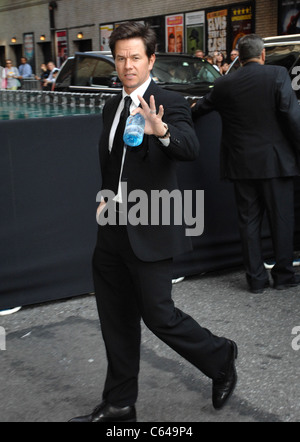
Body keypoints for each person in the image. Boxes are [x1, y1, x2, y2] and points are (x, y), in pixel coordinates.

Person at [69, 21, 238, 423]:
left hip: (152, 224)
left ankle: (221, 356)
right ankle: (119, 403)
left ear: (151, 60)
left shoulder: (170, 102)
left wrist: (161, 130)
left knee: (159, 315)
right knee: (115, 317)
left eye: (135, 58)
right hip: (112, 229)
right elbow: (113, 165)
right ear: (115, 60)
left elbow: (189, 147)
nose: (128, 65)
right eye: (121, 57)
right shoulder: (112, 106)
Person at [192, 34, 300, 294]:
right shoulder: (277, 75)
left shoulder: (223, 83)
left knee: (249, 222)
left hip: (241, 164)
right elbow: (291, 116)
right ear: (263, 55)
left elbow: (198, 110)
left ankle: (256, 279)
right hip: (275, 163)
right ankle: (283, 275)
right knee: (281, 219)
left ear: (238, 58)